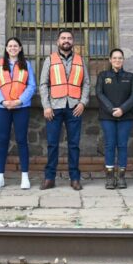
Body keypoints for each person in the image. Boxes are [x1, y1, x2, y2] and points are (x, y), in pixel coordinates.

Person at [39, 29, 90, 191]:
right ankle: (49, 178)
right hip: (54, 108)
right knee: (52, 144)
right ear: (58, 41)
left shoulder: (80, 60)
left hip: (74, 107)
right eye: (63, 38)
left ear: (73, 41)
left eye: (69, 38)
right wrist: (46, 106)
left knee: (74, 145)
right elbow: (43, 84)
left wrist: (82, 103)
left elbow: (86, 83)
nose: (66, 40)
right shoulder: (50, 60)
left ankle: (75, 178)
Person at [0, 37, 36, 190]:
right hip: (3, 108)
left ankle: (24, 176)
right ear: (6, 48)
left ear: (20, 48)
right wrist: (3, 101)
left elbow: (31, 86)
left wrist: (19, 101)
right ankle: (0, 176)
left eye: (16, 46)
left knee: (22, 140)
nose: (13, 48)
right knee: (3, 140)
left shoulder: (26, 65)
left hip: (21, 107)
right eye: (10, 46)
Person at [96, 48, 133, 189]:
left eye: (120, 58)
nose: (117, 60)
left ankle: (121, 177)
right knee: (109, 144)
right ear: (110, 60)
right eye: (114, 58)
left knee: (122, 145)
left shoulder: (130, 76)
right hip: (107, 117)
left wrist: (122, 109)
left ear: (123, 60)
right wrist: (111, 109)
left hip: (126, 117)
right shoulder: (103, 75)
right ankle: (109, 177)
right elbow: (99, 94)